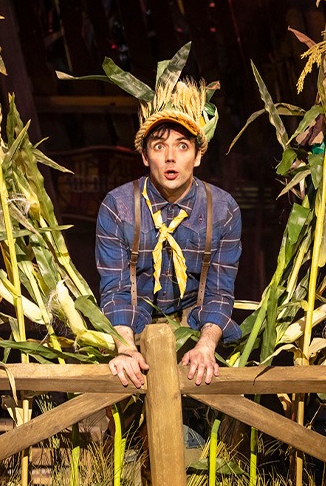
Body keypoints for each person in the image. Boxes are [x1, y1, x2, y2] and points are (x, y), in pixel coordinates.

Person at [96, 77, 242, 389]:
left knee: (200, 428)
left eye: (182, 146)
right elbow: (117, 289)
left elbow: (218, 291)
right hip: (131, 334)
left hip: (196, 335)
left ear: (198, 155)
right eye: (159, 146)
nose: (171, 157)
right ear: (146, 156)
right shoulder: (118, 206)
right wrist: (125, 348)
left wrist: (205, 346)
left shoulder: (223, 209)